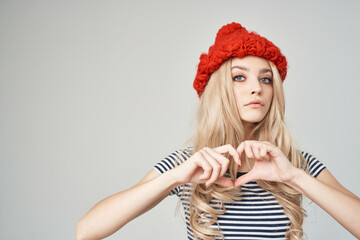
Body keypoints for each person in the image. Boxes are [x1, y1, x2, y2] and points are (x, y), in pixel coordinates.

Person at [75, 22, 360, 240]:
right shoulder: (188, 163)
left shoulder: (294, 162)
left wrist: (294, 176)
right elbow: (86, 230)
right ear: (218, 90)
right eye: (239, 77)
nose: (256, 88)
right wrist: (176, 177)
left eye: (266, 78)